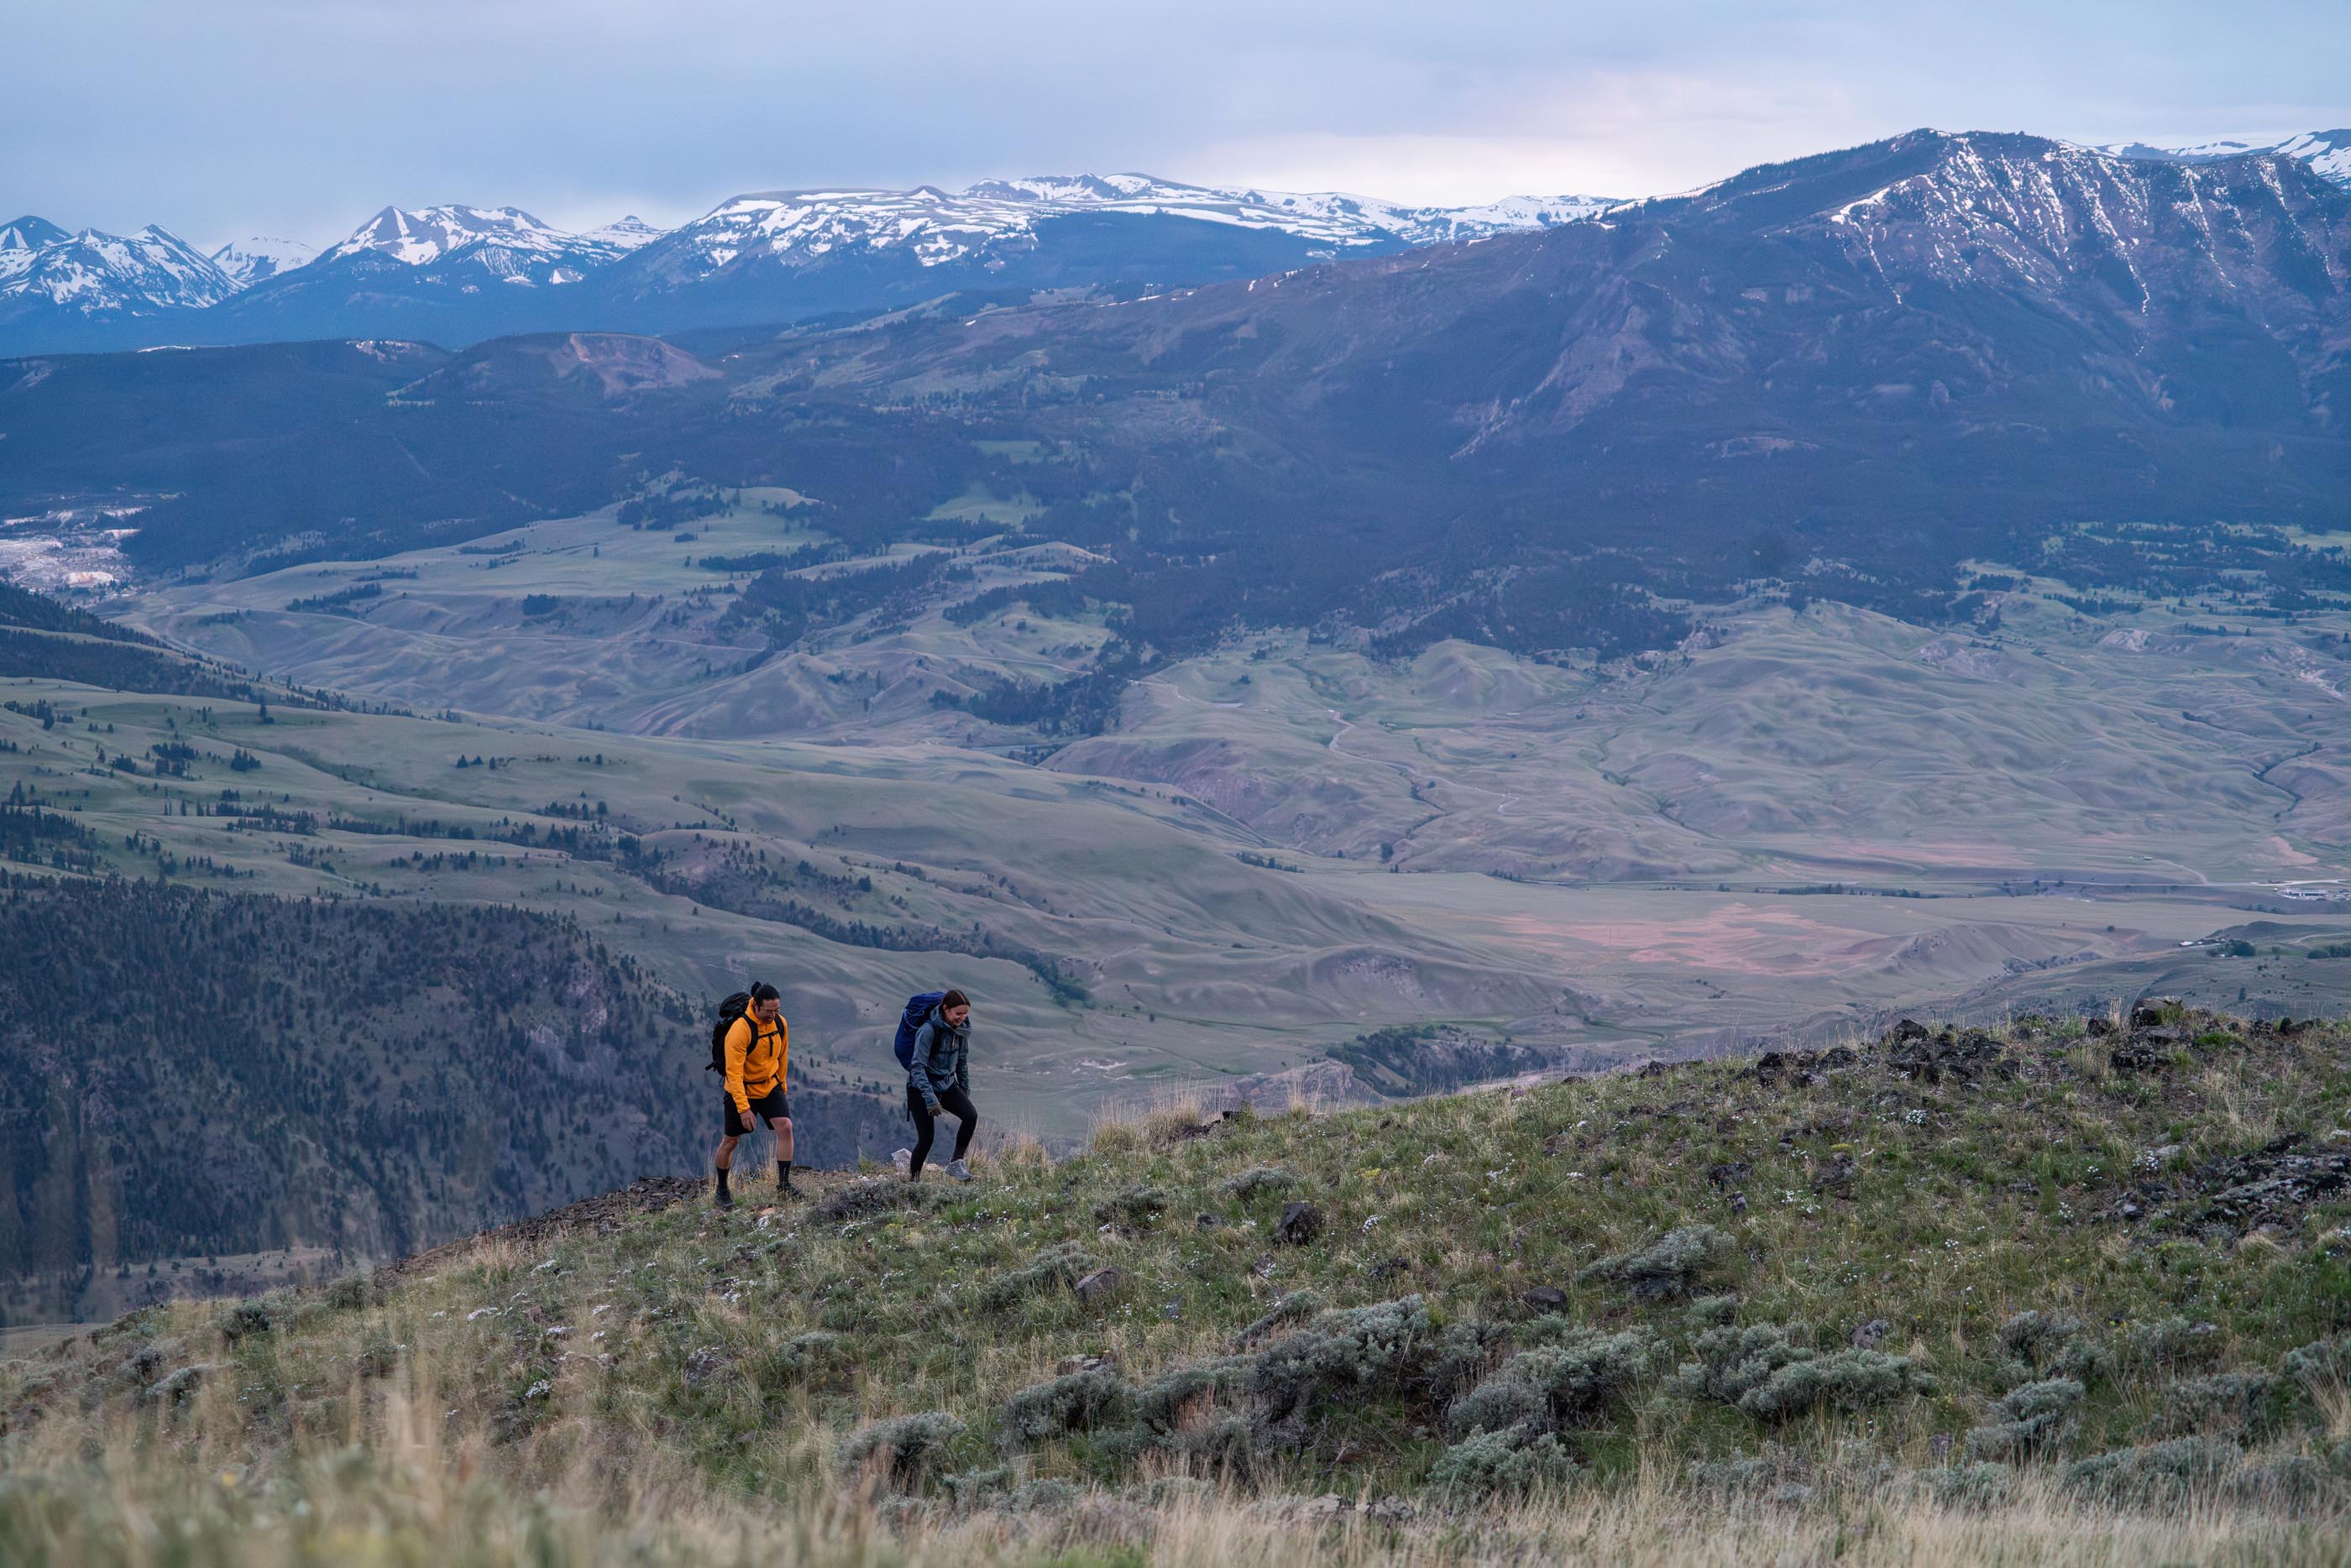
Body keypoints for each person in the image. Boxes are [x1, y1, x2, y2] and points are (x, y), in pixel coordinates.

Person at [715, 981, 793, 1209]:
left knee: (786, 1127)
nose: (773, 1015)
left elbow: (782, 1056)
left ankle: (784, 1185)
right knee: (731, 1141)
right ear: (755, 1006)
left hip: (769, 1085)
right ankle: (722, 1191)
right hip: (742, 1089)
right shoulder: (740, 1030)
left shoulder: (780, 1023)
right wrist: (743, 1108)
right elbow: (733, 1073)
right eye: (768, 1011)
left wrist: (782, 1086)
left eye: (776, 1010)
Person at [902, 988, 977, 1182]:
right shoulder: (928, 1030)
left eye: (965, 1013)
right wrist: (930, 1098)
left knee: (970, 1116)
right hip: (920, 1088)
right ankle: (914, 1182)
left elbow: (962, 1063)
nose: (963, 1018)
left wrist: (964, 1091)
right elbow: (917, 1067)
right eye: (958, 1013)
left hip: (947, 1084)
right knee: (926, 1139)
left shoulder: (960, 1031)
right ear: (945, 1009)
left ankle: (956, 1163)